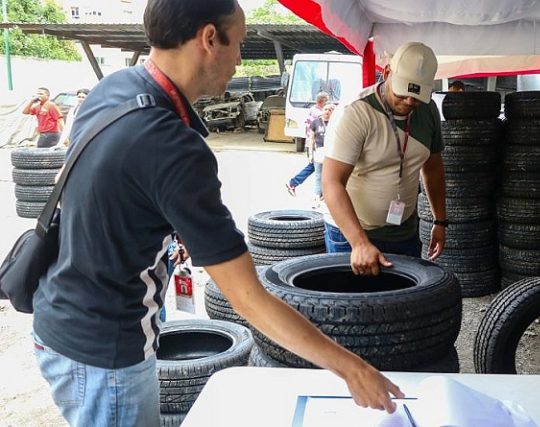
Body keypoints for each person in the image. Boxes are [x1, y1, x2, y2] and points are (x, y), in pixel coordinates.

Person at [31, 2, 402, 426]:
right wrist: (352, 369)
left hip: (59, 319)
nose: (241, 57)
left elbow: (101, 187)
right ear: (210, 38)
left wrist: (169, 224)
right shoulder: (172, 146)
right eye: (240, 42)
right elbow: (247, 298)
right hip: (104, 354)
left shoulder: (115, 88)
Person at [322, 41, 447, 276]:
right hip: (351, 235)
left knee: (403, 306)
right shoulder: (356, 112)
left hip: (404, 231)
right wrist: (359, 242)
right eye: (404, 92)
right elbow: (331, 183)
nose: (410, 102)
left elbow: (433, 169)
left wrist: (440, 221)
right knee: (353, 308)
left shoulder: (428, 111)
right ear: (387, 72)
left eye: (417, 95)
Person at [285, 91, 329, 196]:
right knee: (316, 169)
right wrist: (311, 151)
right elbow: (314, 133)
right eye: (327, 101)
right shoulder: (318, 114)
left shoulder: (313, 110)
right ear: (322, 101)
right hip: (316, 147)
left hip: (315, 146)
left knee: (315, 168)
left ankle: (294, 183)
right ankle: (294, 183)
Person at [308, 103, 335, 206]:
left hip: (331, 153)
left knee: (329, 177)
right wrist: (310, 153)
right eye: (326, 109)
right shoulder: (316, 122)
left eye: (330, 110)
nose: (327, 112)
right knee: (318, 176)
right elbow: (311, 138)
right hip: (319, 151)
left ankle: (326, 198)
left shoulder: (335, 123)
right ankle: (316, 198)